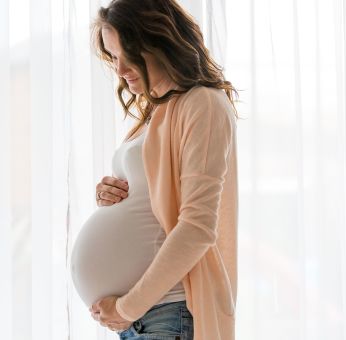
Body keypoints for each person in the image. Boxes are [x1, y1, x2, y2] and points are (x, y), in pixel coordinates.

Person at [87, 0, 240, 339]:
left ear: (160, 41)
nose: (120, 68)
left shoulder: (203, 104)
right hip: (146, 316)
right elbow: (154, 206)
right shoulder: (156, 113)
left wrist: (127, 307)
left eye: (129, 52)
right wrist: (110, 197)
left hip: (168, 311)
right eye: (113, 56)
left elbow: (197, 227)